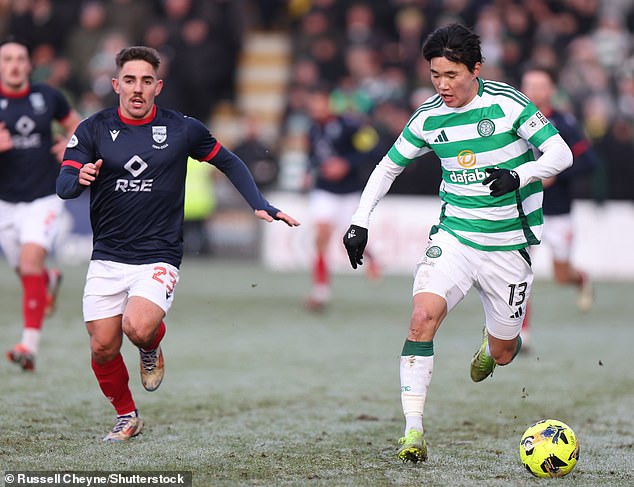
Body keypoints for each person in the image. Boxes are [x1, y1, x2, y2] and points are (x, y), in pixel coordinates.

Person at [342, 24, 573, 463]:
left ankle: (492, 345)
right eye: (435, 75)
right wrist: (360, 221)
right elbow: (386, 168)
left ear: (476, 69)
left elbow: (562, 154)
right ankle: (413, 431)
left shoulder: (509, 105)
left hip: (509, 246)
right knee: (420, 319)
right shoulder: (428, 116)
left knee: (505, 354)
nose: (443, 85)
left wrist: (518, 176)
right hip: (455, 238)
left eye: (452, 75)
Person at [56, 46, 299, 442]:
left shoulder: (183, 128)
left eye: (146, 81)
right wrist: (78, 176)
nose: (137, 89)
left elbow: (229, 161)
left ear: (158, 86)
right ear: (116, 84)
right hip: (107, 257)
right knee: (102, 347)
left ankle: (150, 344)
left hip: (159, 253)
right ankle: (127, 416)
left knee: (137, 327)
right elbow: (64, 184)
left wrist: (259, 204)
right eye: (130, 80)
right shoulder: (92, 129)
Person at [0, 36, 81, 371]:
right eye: (7, 59)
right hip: (5, 201)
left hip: (44, 196)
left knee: (30, 264)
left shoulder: (47, 96)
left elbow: (78, 125)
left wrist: (70, 145)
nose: (15, 64)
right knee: (25, 269)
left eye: (21, 58)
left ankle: (28, 346)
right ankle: (47, 281)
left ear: (29, 65)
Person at [519, 66, 599, 349]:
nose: (532, 90)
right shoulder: (516, 120)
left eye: (539, 85)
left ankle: (581, 279)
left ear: (550, 90)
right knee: (519, 272)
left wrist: (555, 174)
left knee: (561, 275)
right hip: (526, 210)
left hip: (558, 211)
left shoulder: (564, 124)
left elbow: (589, 162)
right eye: (528, 84)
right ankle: (521, 334)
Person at [304, 82, 381, 312]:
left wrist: (346, 164)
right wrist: (309, 171)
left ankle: (373, 258)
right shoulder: (313, 129)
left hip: (348, 192)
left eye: (319, 103)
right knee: (321, 234)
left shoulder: (350, 126)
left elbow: (372, 148)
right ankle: (321, 290)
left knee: (349, 237)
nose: (315, 108)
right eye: (313, 104)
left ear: (330, 104)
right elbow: (314, 156)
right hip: (324, 190)